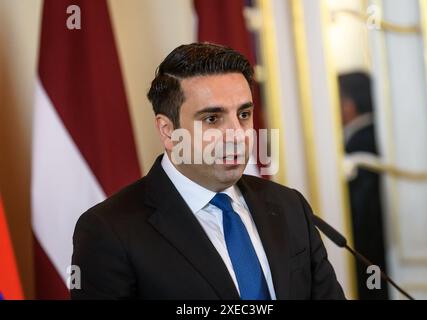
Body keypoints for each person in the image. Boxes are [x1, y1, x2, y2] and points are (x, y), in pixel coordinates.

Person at [71, 43, 345, 300]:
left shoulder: (289, 205)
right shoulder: (108, 231)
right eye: (212, 119)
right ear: (168, 131)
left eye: (244, 115)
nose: (237, 135)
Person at [339, 72, 388, 300]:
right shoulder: (382, 133)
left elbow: (361, 212)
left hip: (369, 248)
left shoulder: (359, 144)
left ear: (348, 105)